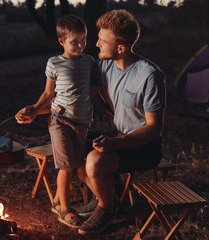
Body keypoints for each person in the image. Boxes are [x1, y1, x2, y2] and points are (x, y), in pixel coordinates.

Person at [77, 9, 166, 235]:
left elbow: (154, 129)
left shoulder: (149, 76)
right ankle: (109, 195)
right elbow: (82, 88)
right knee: (71, 144)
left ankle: (107, 209)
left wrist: (115, 144)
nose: (96, 44)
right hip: (117, 137)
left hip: (144, 147)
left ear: (120, 47)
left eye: (102, 41)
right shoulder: (104, 66)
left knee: (95, 160)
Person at [15, 14, 96, 228]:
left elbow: (92, 91)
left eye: (84, 40)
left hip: (82, 122)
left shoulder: (89, 62)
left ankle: (89, 200)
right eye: (74, 41)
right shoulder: (55, 63)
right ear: (62, 41)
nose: (80, 45)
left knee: (79, 164)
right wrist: (33, 109)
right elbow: (48, 94)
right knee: (67, 166)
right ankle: (64, 208)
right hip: (60, 121)